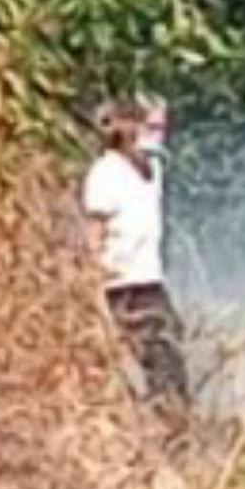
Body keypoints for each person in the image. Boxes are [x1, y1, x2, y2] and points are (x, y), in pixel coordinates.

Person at [81, 96, 187, 404]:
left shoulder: (152, 168)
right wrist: (94, 297)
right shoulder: (105, 173)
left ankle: (171, 427)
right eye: (150, 126)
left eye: (162, 127)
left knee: (171, 357)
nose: (157, 135)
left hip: (150, 281)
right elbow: (94, 239)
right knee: (159, 365)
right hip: (123, 289)